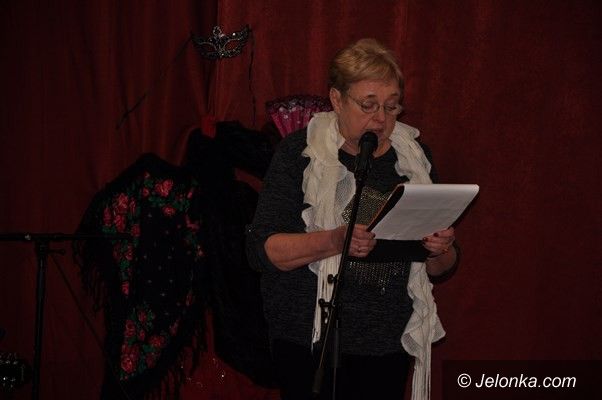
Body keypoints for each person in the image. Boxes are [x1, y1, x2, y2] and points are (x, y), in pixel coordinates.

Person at [246, 38, 457, 400]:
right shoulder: (299, 153)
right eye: (368, 105)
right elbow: (262, 250)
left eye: (391, 106)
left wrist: (441, 248)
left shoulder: (414, 160)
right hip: (307, 341)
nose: (381, 118)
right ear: (337, 99)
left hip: (385, 345)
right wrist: (333, 240)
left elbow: (440, 267)